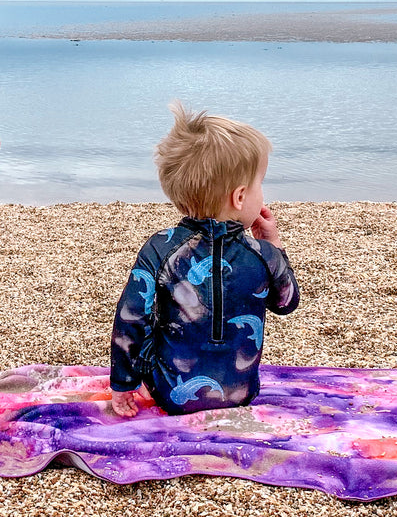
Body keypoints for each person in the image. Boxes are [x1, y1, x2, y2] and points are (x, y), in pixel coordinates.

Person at [109, 102, 300, 417]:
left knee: (150, 318)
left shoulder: (160, 247)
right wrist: (273, 244)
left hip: (170, 395)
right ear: (239, 197)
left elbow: (130, 318)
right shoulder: (263, 254)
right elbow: (286, 303)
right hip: (242, 392)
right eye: (260, 184)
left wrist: (123, 383)